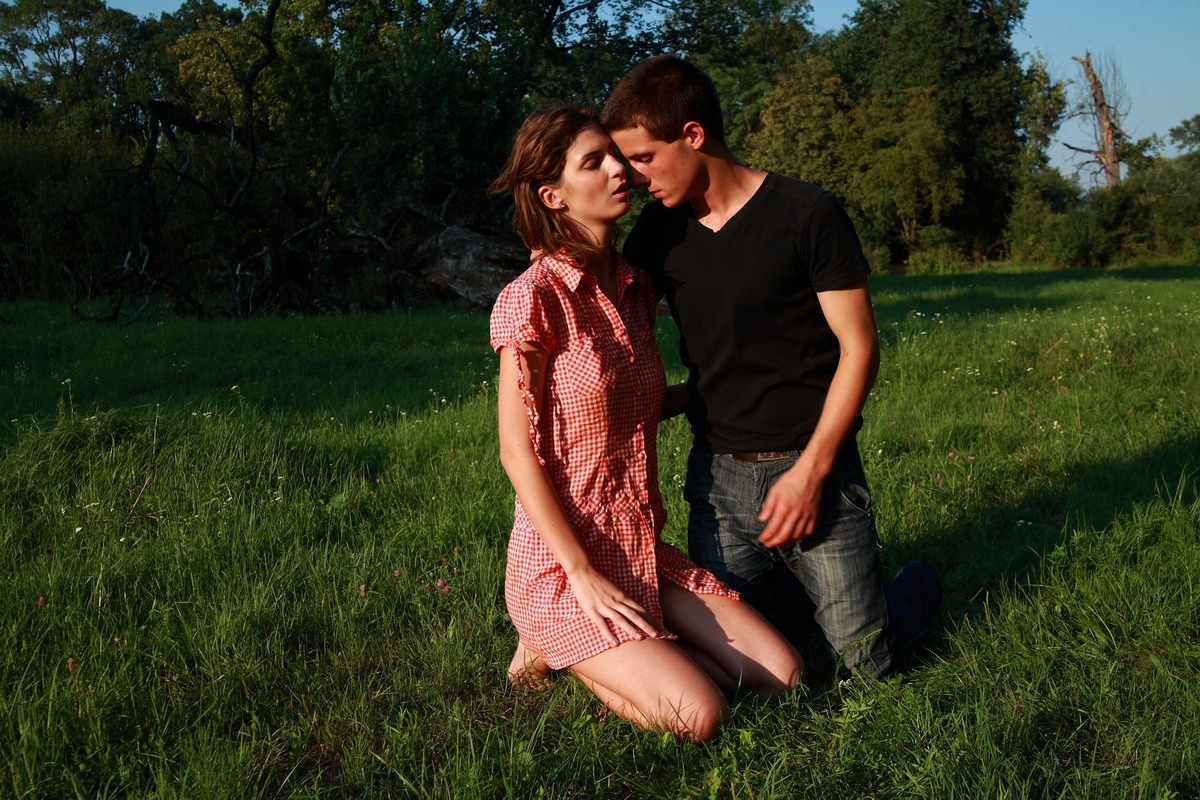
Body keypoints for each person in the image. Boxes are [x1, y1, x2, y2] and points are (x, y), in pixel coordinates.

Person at [601, 55, 941, 681]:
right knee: (744, 660)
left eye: (644, 157)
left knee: (866, 669)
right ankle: (797, 590)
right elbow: (602, 315)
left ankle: (914, 589)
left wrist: (811, 473)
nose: (635, 176)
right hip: (718, 479)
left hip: (815, 467)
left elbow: (859, 348)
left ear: (693, 135)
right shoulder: (659, 232)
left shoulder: (807, 213)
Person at [488, 102, 803, 742]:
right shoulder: (534, 299)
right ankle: (552, 642)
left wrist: (719, 390)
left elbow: (627, 409)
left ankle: (624, 650)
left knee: (783, 674)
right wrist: (581, 573)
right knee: (702, 713)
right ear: (552, 195)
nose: (619, 170)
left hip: (638, 547)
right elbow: (517, 451)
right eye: (593, 162)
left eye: (616, 155)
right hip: (563, 564)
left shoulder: (634, 287)